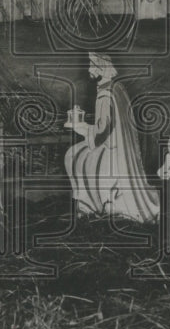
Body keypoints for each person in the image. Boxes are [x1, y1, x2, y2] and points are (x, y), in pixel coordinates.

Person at [64, 52, 159, 221]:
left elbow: (102, 132)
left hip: (112, 149)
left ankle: (89, 205)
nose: (89, 69)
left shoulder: (105, 94)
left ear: (101, 68)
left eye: (93, 66)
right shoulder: (117, 88)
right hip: (121, 147)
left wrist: (82, 128)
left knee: (73, 154)